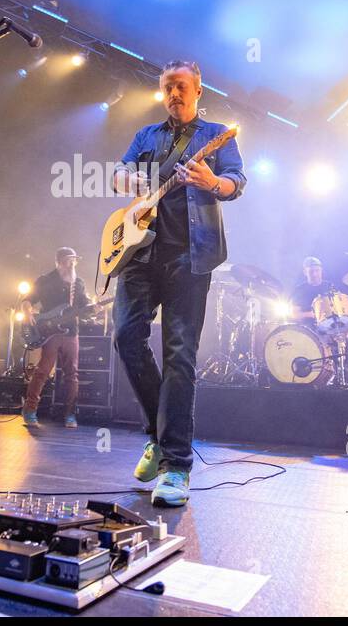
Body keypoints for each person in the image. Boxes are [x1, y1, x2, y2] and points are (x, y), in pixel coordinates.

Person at [111, 60, 246, 507]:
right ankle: (157, 431)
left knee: (179, 355)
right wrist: (127, 178)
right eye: (167, 87)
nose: (174, 93)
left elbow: (237, 181)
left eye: (181, 86)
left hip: (191, 255)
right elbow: (118, 173)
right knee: (126, 338)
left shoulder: (218, 135)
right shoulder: (146, 136)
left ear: (198, 89)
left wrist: (215, 182)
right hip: (140, 253)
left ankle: (175, 467)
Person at [20, 246, 89, 429]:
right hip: (49, 332)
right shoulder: (46, 280)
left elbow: (84, 307)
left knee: (72, 374)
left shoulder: (78, 283)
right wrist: (27, 311)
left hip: (71, 332)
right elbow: (27, 299)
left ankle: (70, 414)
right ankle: (30, 410)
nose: (71, 264)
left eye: (74, 260)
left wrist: (93, 310)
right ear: (58, 262)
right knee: (43, 370)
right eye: (67, 260)